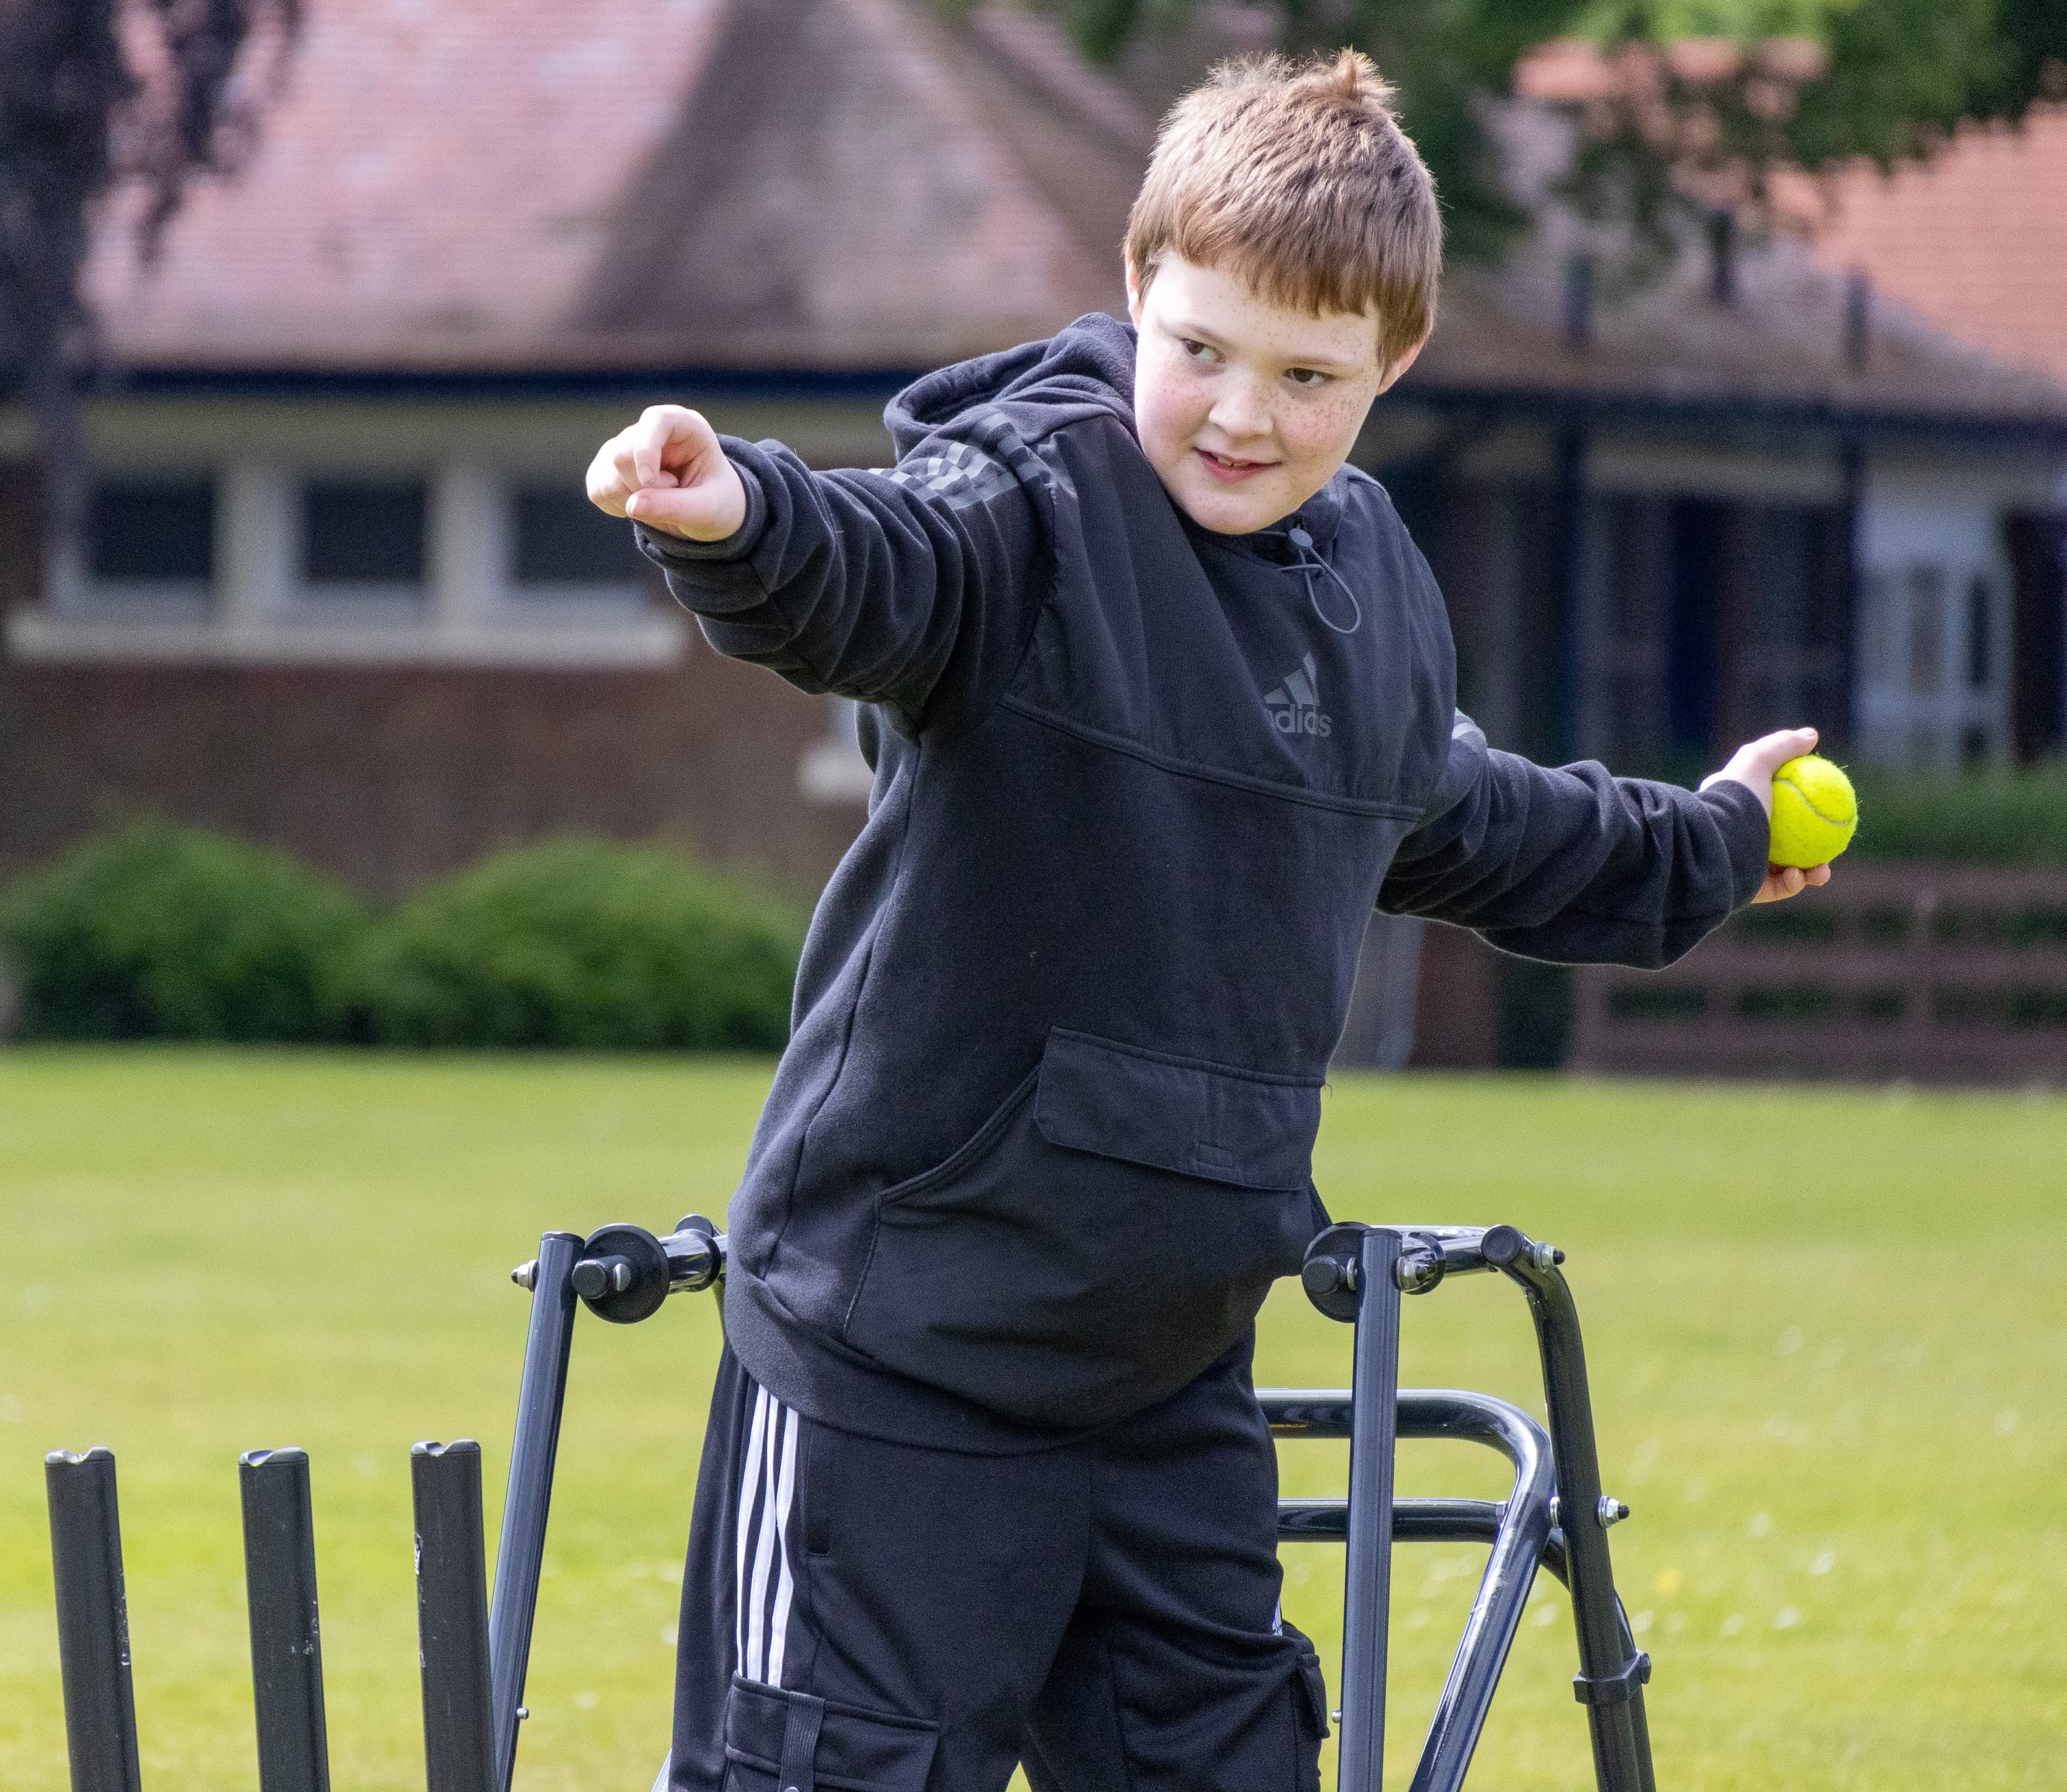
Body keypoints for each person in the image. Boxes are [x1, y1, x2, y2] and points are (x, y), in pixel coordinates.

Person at [586, 49, 1829, 1792]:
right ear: (1135, 292)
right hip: (900, 1358)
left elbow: (1474, 817)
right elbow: (883, 571)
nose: (1242, 413)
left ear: (1393, 367)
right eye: (1203, 351)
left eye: (1308, 376)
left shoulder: (1367, 598)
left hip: (1166, 1373)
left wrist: (1712, 838)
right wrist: (738, 515)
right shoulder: (1026, 506)